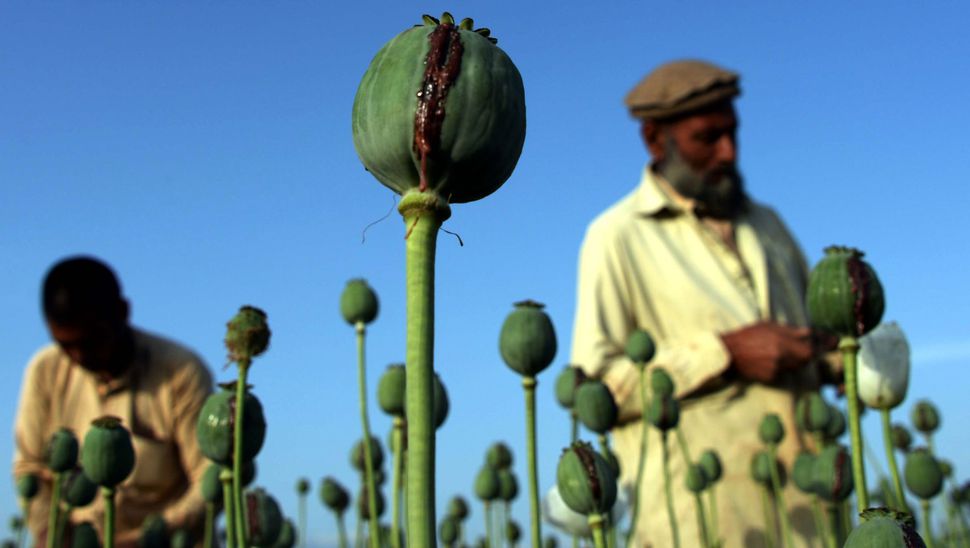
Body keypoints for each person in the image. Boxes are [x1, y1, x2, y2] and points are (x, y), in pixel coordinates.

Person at [570, 60, 834, 547]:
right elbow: (596, 391)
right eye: (707, 138)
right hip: (699, 526)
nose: (728, 152)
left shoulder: (769, 225)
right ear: (655, 140)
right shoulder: (616, 237)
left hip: (812, 519)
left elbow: (821, 335)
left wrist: (833, 354)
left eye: (732, 133)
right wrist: (725, 354)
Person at [13, 256, 213, 546]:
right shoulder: (44, 371)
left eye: (91, 341)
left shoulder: (179, 371)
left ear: (122, 312)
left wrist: (142, 539)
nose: (79, 356)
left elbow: (210, 479)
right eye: (66, 346)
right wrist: (50, 534)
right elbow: (29, 468)